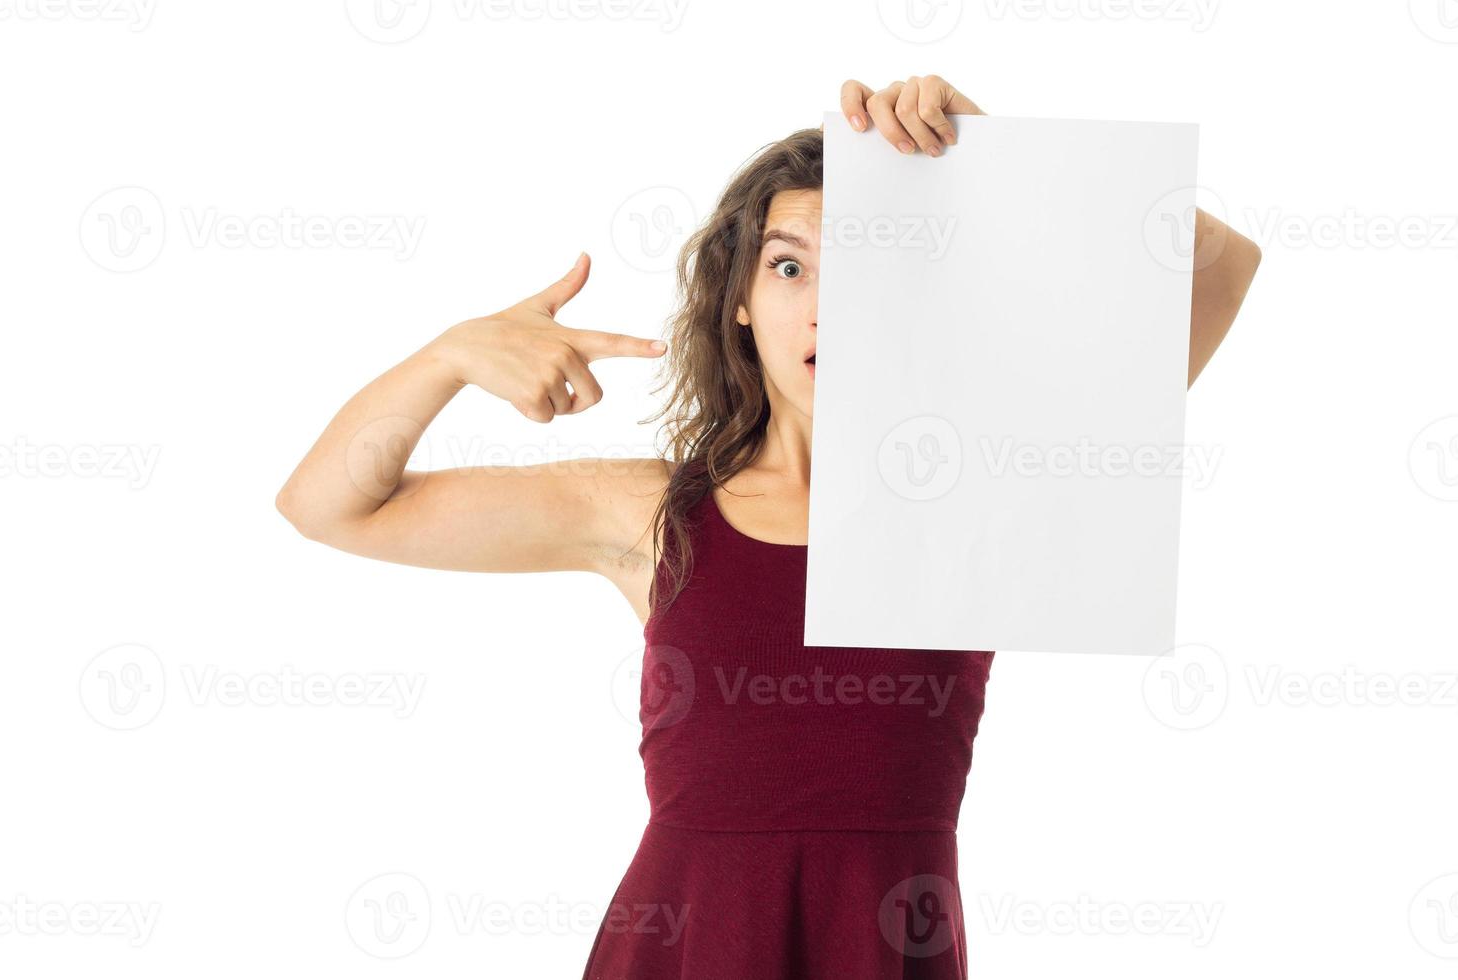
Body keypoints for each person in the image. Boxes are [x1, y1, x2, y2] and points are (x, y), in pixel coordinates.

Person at [276, 74, 1261, 978]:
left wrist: (993, 155)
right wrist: (449, 355)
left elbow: (1222, 269)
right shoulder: (655, 513)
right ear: (741, 300)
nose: (827, 307)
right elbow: (330, 502)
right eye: (790, 268)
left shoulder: (982, 494)